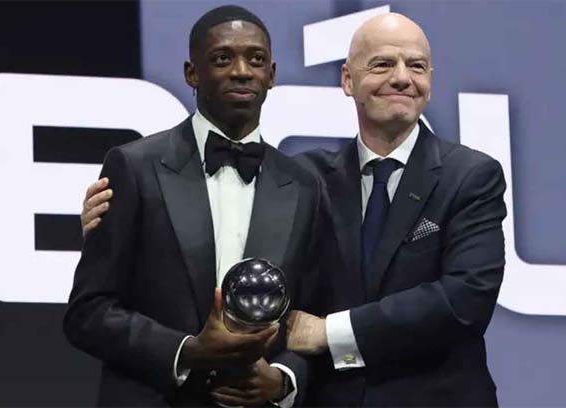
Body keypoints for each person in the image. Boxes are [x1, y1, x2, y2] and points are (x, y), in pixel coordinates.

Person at [81, 12, 506, 407]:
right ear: (347, 79)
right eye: (381, 64)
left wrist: (315, 345)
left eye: (416, 66)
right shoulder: (307, 179)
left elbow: (465, 298)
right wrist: (120, 222)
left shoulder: (471, 176)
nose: (400, 78)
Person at [65, 5, 322, 406]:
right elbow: (89, 311)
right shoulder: (134, 167)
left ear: (271, 75)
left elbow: (316, 314)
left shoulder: (304, 186)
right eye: (222, 58)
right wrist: (187, 352)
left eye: (255, 59)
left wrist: (283, 379)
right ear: (192, 73)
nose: (241, 71)